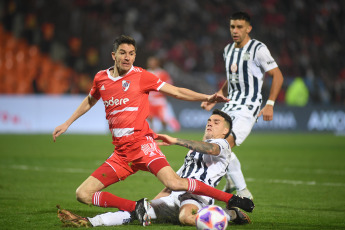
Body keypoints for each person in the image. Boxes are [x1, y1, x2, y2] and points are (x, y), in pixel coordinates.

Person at [53, 35, 254, 226]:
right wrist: (67, 122)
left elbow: (176, 91)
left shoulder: (142, 76)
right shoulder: (100, 78)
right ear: (113, 55)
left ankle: (232, 199)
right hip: (121, 154)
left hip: (143, 145)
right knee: (83, 194)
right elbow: (90, 100)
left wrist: (206, 97)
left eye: (131, 53)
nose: (127, 57)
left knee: (174, 183)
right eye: (123, 53)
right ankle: (135, 207)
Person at [56, 110, 251, 227]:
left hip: (198, 197)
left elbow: (210, 147)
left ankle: (229, 214)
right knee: (138, 213)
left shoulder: (223, 146)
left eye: (216, 122)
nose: (210, 123)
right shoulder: (192, 154)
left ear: (225, 131)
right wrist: (155, 201)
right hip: (177, 194)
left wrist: (175, 140)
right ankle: (92, 222)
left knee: (185, 217)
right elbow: (176, 180)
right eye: (209, 121)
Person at [201, 12, 284, 199]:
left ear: (248, 28)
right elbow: (232, 79)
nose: (235, 30)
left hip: (249, 106)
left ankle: (243, 192)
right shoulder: (228, 50)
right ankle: (231, 181)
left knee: (223, 144)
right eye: (232, 27)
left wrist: (270, 104)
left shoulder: (258, 49)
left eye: (239, 27)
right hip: (231, 104)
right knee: (211, 141)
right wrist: (217, 96)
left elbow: (277, 75)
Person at [147, 56, 181, 132]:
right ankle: (152, 132)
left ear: (157, 63)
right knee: (150, 117)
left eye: (153, 62)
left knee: (163, 119)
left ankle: (166, 128)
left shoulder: (163, 73)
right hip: (149, 100)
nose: (151, 63)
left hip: (159, 100)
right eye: (150, 62)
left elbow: (169, 85)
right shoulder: (146, 73)